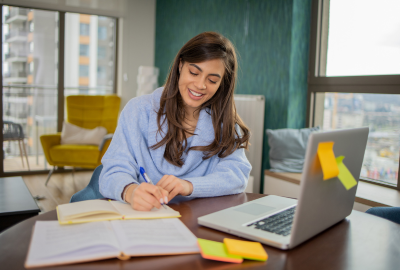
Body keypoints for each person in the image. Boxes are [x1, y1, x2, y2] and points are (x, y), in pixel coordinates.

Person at [99, 32, 252, 211]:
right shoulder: (138, 111)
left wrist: (188, 185)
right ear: (180, 65)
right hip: (142, 218)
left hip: (196, 219)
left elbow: (237, 175)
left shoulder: (225, 124)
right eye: (194, 72)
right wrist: (130, 191)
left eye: (212, 80)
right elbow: (112, 172)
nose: (200, 85)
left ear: (222, 84)